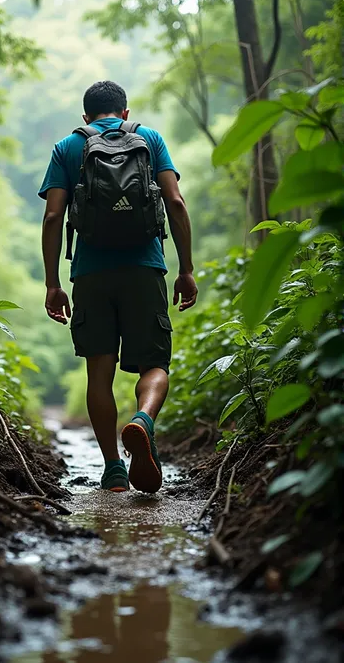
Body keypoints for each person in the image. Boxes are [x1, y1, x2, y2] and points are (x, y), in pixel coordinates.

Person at [39, 81, 197, 494]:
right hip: (145, 269)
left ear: (85, 117)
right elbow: (175, 203)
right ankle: (142, 419)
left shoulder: (67, 148)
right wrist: (186, 270)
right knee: (155, 365)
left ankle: (112, 470)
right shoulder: (149, 139)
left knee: (99, 373)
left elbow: (53, 217)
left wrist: (53, 283)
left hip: (90, 274)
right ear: (125, 113)